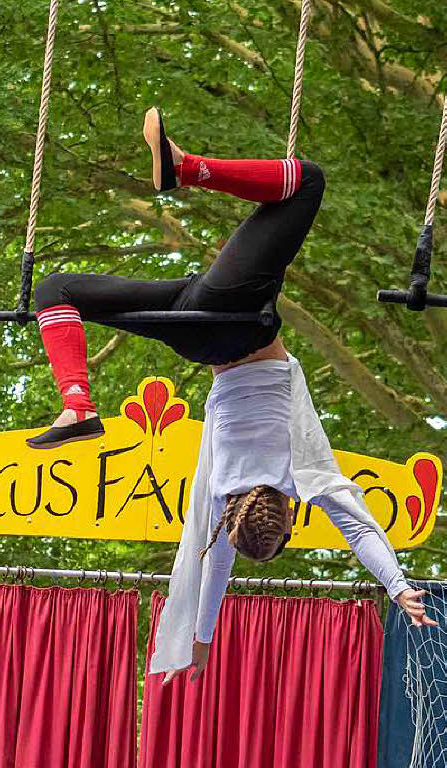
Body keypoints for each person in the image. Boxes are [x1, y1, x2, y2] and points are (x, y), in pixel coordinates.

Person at [26, 108, 435, 679]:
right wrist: (201, 640)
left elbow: (361, 527)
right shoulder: (220, 497)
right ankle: (77, 403)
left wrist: (397, 585)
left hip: (238, 321)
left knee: (306, 183)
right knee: (56, 290)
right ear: (234, 520)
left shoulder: (304, 478)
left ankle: (184, 167)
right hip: (197, 334)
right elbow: (214, 569)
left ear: (290, 519)